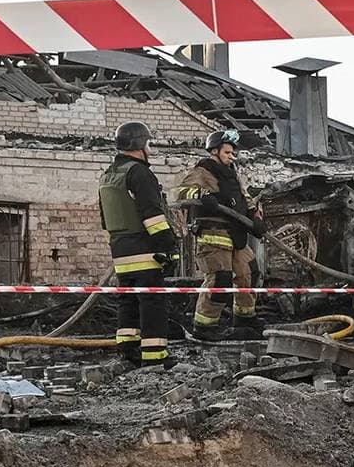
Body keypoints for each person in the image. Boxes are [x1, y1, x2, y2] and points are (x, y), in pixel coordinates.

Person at [174, 129, 266, 340]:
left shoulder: (232, 173)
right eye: (227, 152)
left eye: (233, 153)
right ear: (214, 151)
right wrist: (202, 195)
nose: (231, 156)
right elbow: (180, 192)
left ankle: (244, 318)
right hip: (214, 235)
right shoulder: (203, 170)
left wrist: (256, 217)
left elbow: (245, 198)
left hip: (237, 234)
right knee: (219, 279)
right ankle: (205, 326)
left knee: (249, 272)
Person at [97, 121, 174, 367]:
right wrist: (168, 247)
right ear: (140, 144)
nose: (149, 148)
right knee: (152, 301)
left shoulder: (108, 174)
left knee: (127, 300)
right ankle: (155, 358)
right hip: (144, 249)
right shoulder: (139, 172)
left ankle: (128, 351)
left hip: (120, 250)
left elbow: (104, 217)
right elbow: (153, 216)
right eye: (148, 143)